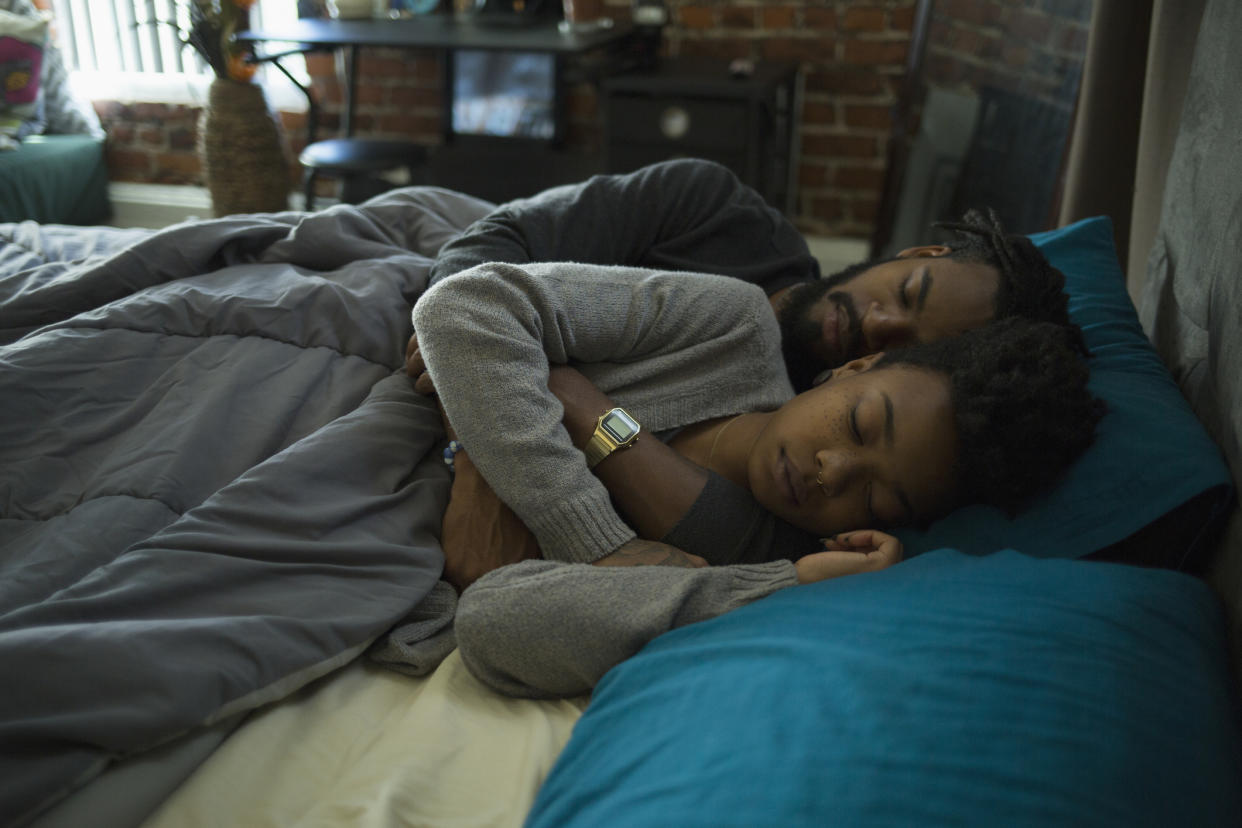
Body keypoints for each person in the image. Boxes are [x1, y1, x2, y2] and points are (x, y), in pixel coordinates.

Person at [410, 258, 1101, 589]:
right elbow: (467, 306)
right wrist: (591, 538)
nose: (833, 470)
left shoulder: (777, 553)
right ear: (852, 370)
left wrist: (571, 401)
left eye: (882, 498)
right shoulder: (734, 328)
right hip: (394, 398)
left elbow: (499, 613)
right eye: (858, 425)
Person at [425, 158, 1078, 391]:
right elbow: (493, 238)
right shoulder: (711, 206)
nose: (879, 322)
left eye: (911, 345)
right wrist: (470, 361)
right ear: (914, 257)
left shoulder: (804, 432)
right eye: (907, 295)